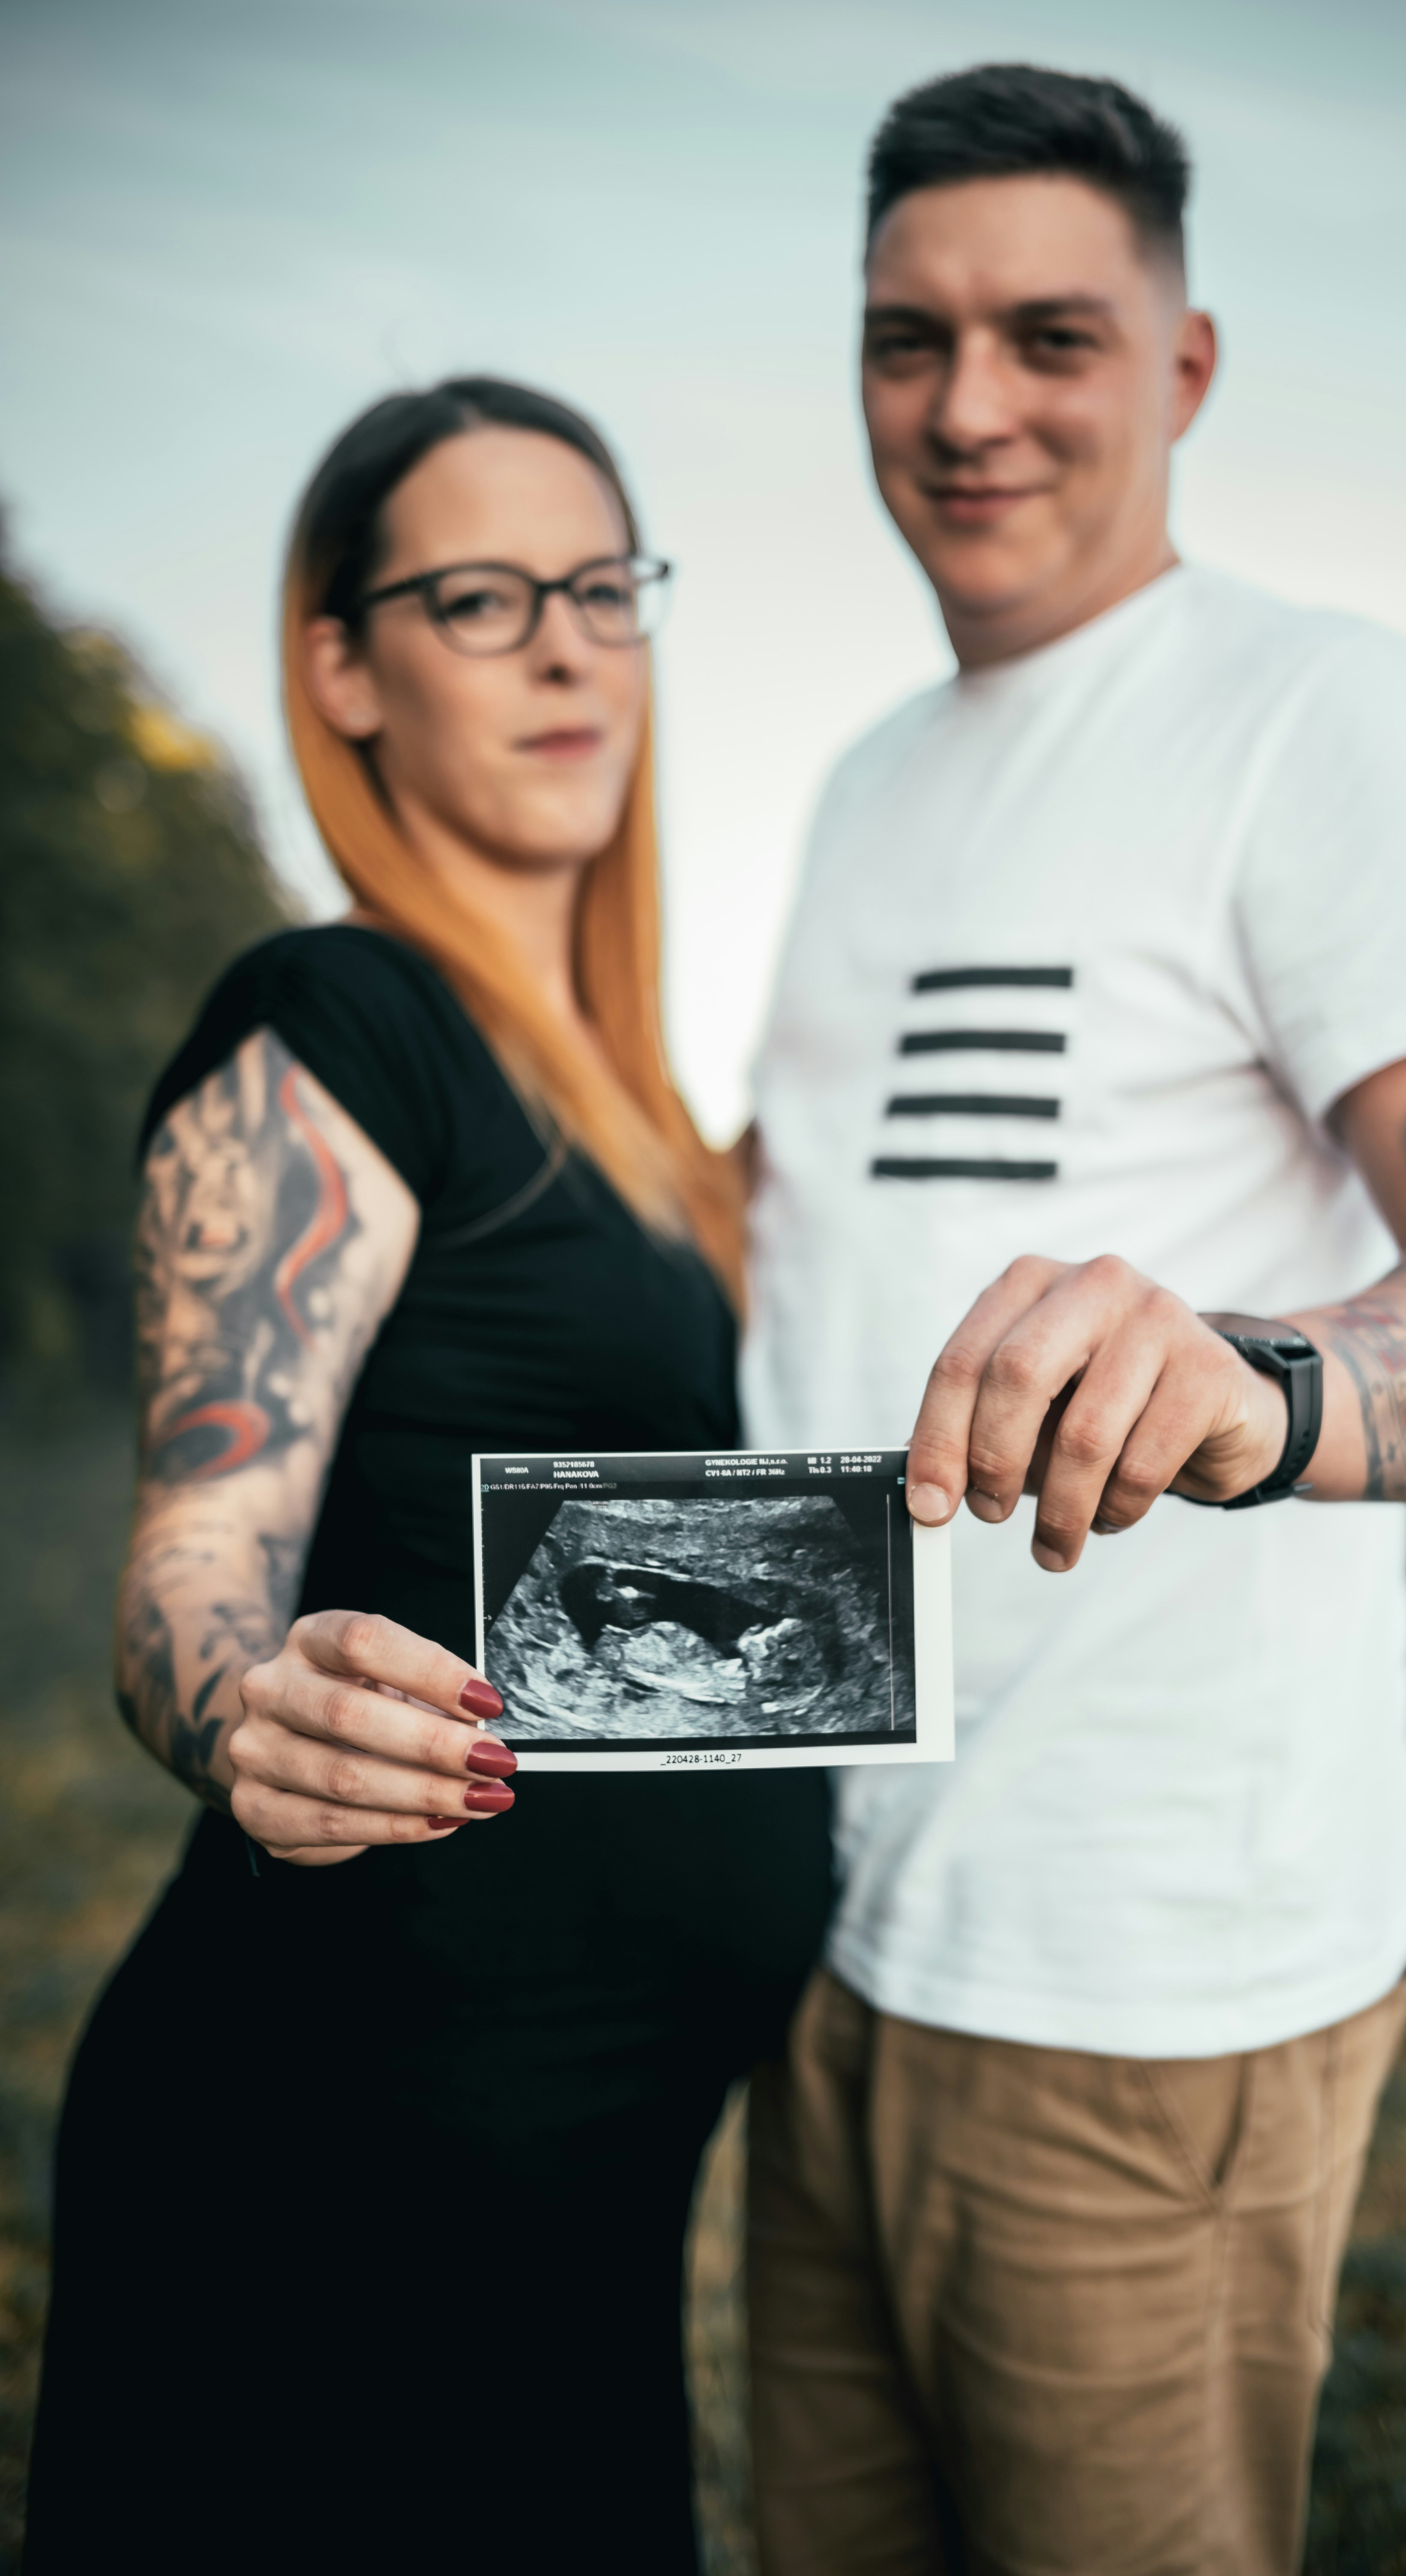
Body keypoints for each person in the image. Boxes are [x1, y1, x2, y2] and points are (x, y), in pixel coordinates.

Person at [742, 65, 1406, 2576]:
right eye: (907, 339)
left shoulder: (1322, 713)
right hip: (837, 1931)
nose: (972, 404)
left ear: (1188, 367)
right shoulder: (861, 783)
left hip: (1149, 1980)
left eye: (1052, 333)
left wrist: (1247, 1380)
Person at [24, 377, 832, 2576]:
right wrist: (244, 1708)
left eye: (601, 588)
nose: (568, 647)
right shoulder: (334, 1027)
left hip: (575, 2181)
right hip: (340, 2172)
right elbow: (198, 1544)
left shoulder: (637, 1118)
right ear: (346, 670)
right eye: (480, 600)